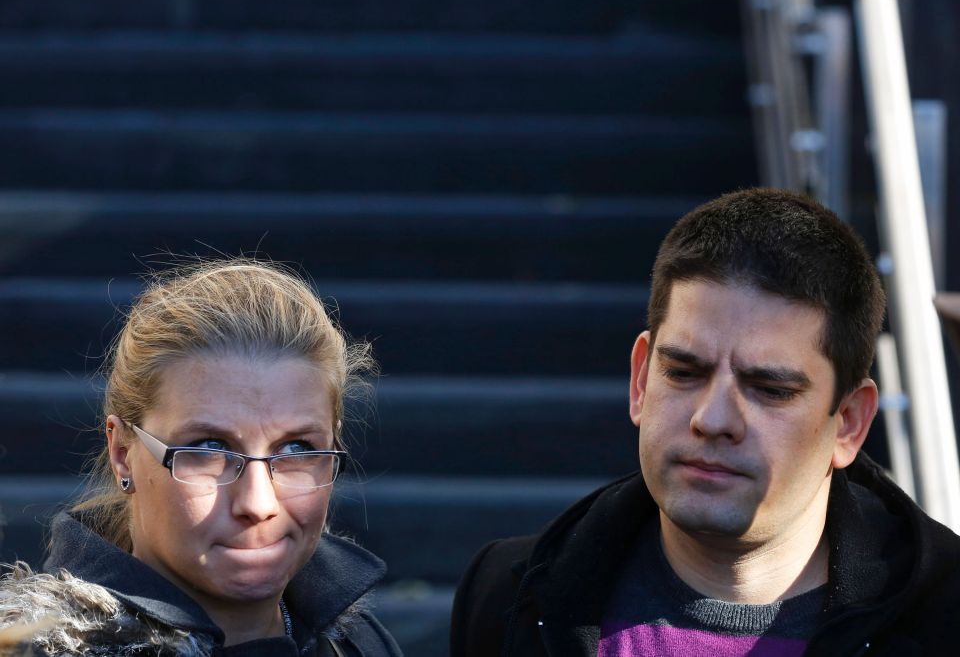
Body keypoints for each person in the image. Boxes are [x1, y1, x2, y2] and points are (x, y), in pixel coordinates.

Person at [450, 188, 960, 656]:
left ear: (848, 423)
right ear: (642, 381)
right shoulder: (504, 598)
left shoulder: (943, 621)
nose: (713, 420)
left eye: (770, 390)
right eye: (684, 372)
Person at [0, 260, 402, 656]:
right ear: (122, 453)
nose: (258, 504)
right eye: (210, 448)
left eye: (296, 448)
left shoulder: (359, 642)